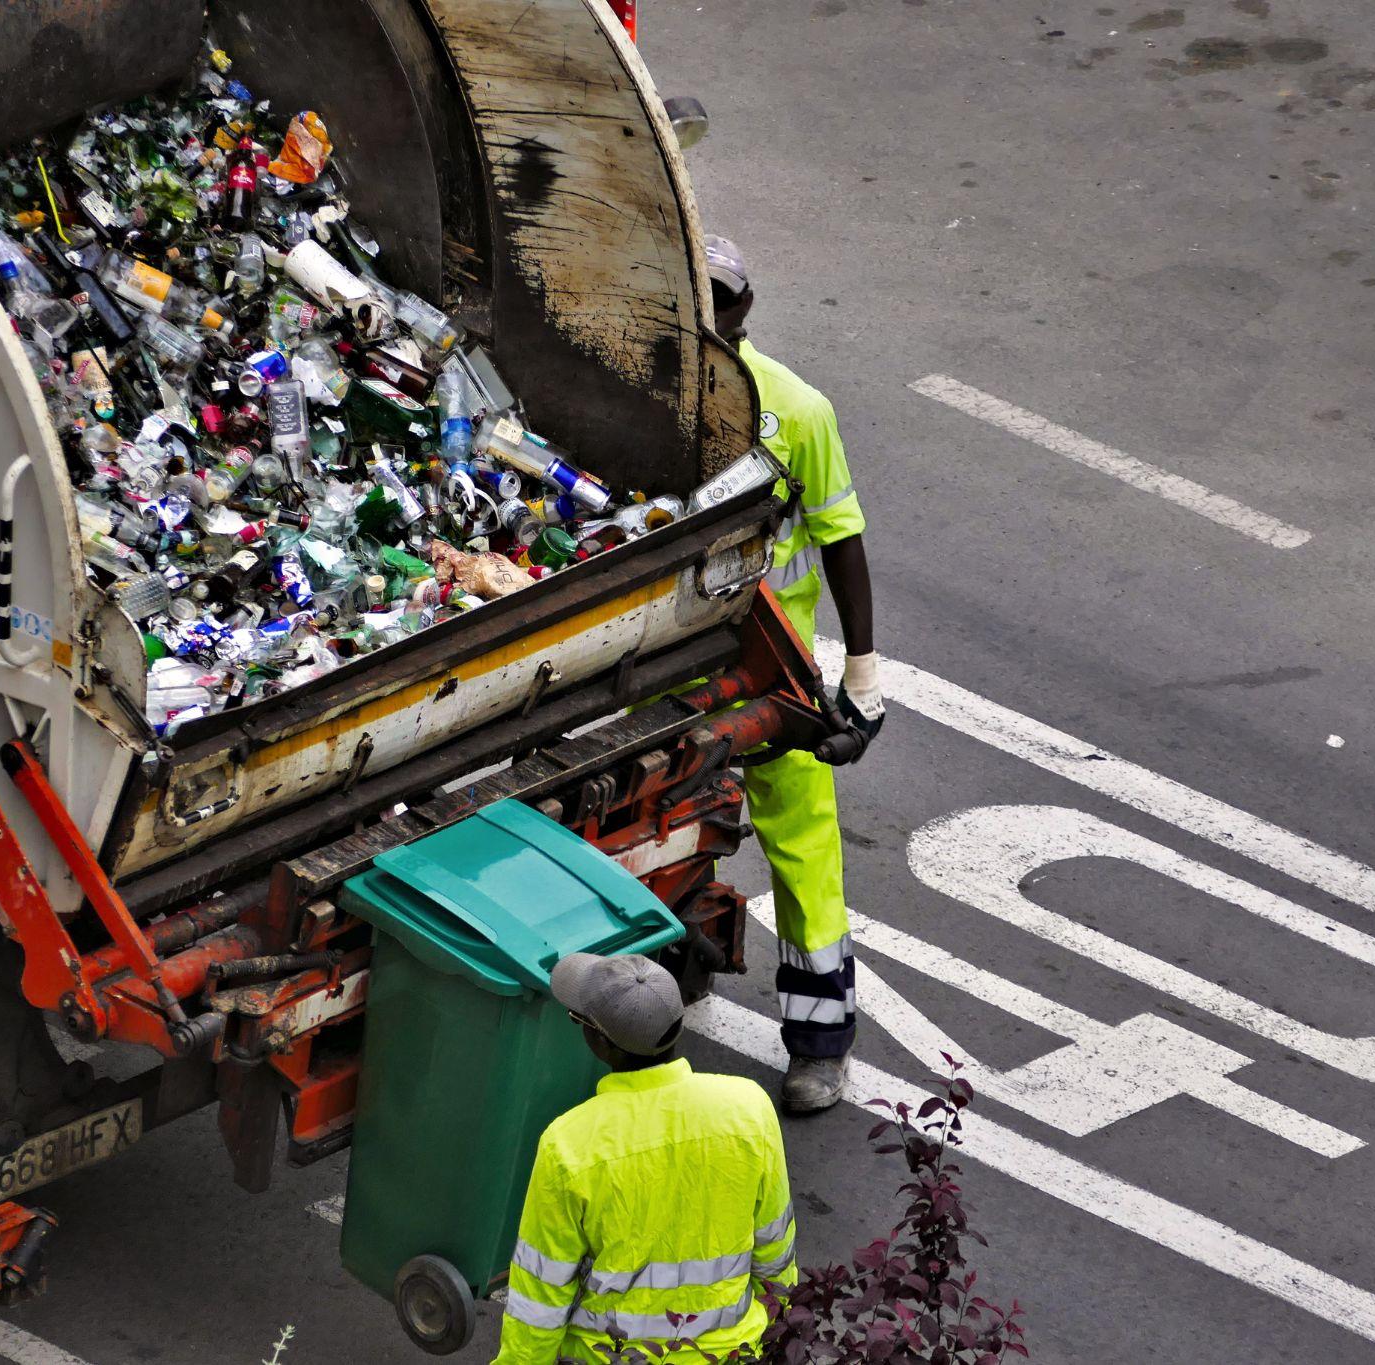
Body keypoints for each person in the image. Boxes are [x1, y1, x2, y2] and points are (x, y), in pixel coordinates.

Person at [705, 233, 884, 1115]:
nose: (708, 312)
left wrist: (863, 670)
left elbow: (841, 536)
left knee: (804, 851)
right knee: (663, 820)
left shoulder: (798, 410)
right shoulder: (638, 388)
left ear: (746, 306)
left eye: (721, 297)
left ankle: (820, 1046)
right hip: (668, 660)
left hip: (770, 666)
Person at [494, 952, 799, 1364]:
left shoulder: (569, 1145)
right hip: (733, 1353)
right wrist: (778, 1327)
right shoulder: (748, 1109)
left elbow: (542, 1292)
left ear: (600, 1042)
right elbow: (775, 1249)